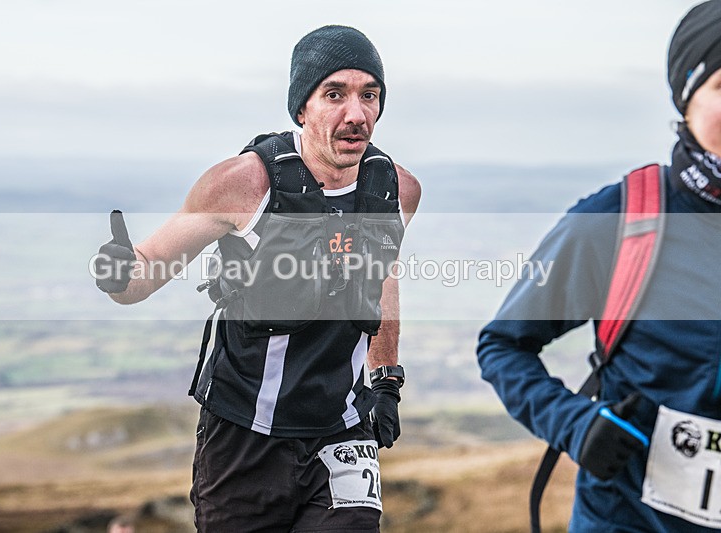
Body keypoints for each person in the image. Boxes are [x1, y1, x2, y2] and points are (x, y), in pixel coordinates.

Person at [93, 25, 421, 532]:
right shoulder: (245, 184)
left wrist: (386, 380)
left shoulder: (395, 190)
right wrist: (119, 273)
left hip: (342, 427)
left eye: (369, 95)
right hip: (245, 432)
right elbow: (146, 269)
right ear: (301, 109)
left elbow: (382, 280)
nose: (356, 114)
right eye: (334, 94)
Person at [477, 2, 721, 531]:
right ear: (686, 95)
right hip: (626, 518)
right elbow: (502, 345)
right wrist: (575, 423)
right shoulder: (619, 220)